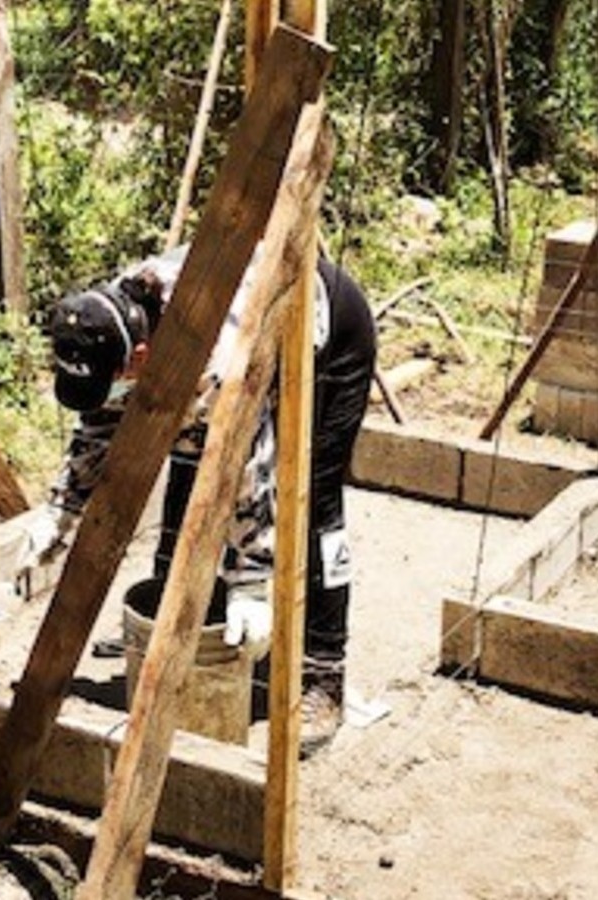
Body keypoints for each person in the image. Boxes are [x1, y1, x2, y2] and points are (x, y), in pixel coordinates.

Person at [45, 245, 377, 753]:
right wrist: (60, 510)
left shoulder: (216, 362)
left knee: (310, 500)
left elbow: (252, 466)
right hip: (238, 344)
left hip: (329, 337)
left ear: (138, 359)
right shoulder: (113, 315)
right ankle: (169, 625)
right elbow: (101, 420)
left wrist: (250, 580)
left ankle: (323, 674)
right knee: (186, 462)